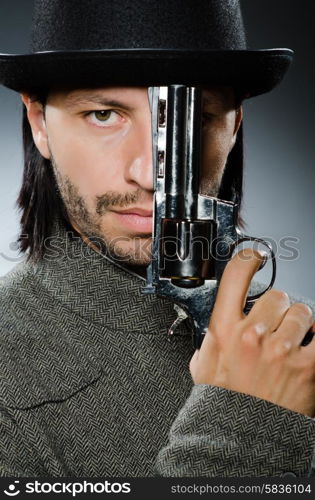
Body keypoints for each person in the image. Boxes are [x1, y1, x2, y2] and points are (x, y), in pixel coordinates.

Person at [0, 0, 314, 477]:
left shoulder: (286, 341)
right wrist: (249, 422)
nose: (147, 174)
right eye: (104, 115)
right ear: (40, 123)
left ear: (236, 123)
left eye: (199, 118)